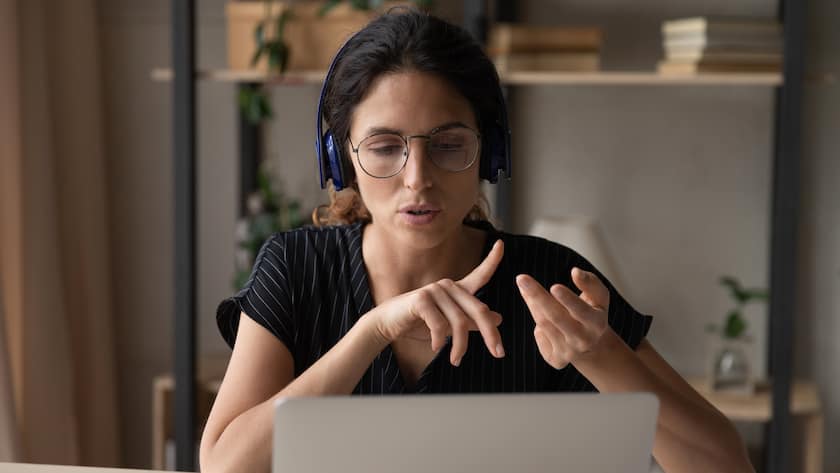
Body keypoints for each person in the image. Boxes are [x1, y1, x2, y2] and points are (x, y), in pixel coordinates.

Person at [199, 8, 754, 473]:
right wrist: (373, 330)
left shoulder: (548, 281)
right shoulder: (296, 267)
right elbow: (223, 464)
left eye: (448, 144)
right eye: (386, 146)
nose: (418, 177)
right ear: (341, 158)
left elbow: (727, 466)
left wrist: (605, 357)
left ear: (489, 155)